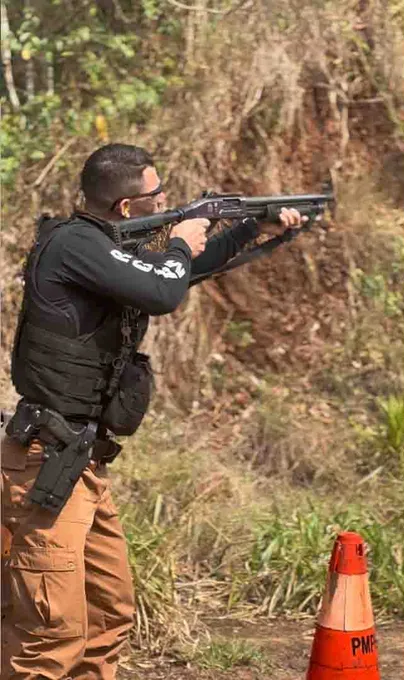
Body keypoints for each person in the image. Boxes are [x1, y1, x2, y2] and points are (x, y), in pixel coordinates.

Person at [1, 143, 305, 679]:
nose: (167, 200)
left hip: (80, 460)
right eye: (158, 193)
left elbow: (174, 274)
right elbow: (163, 288)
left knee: (107, 613)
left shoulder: (106, 247)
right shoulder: (75, 245)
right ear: (125, 206)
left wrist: (253, 231)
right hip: (46, 459)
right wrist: (183, 243)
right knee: (51, 633)